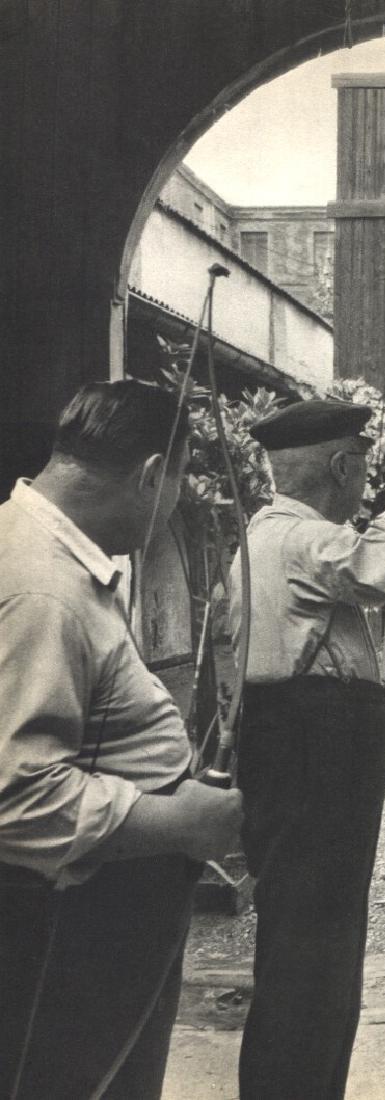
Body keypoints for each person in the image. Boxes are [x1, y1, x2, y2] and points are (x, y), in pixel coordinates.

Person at [0, 380, 243, 1100]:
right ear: (147, 476)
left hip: (103, 918)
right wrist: (183, 819)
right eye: (177, 483)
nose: (173, 506)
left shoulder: (48, 552)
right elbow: (17, 793)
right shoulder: (43, 589)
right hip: (70, 931)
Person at [230, 398, 385, 1100]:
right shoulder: (308, 540)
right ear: (340, 464)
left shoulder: (262, 534)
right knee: (317, 947)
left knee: (307, 937)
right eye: (361, 465)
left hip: (289, 739)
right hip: (315, 743)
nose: (366, 482)